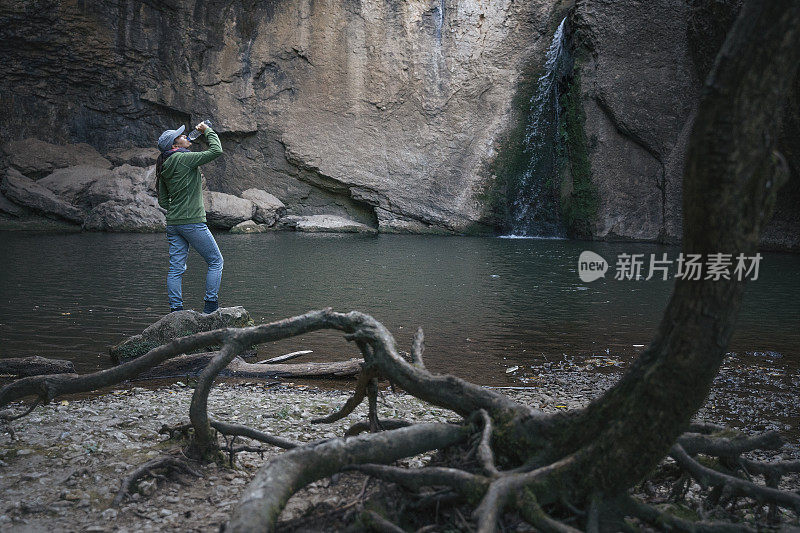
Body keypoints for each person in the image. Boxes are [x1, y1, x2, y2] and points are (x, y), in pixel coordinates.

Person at [155, 121, 224, 314]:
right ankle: (210, 309)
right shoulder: (184, 158)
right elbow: (216, 151)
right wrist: (207, 130)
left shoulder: (164, 163)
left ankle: (176, 311)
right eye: (182, 136)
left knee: (176, 269)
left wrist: (177, 210)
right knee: (216, 262)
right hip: (192, 221)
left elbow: (162, 201)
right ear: (175, 145)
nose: (186, 136)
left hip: (173, 223)